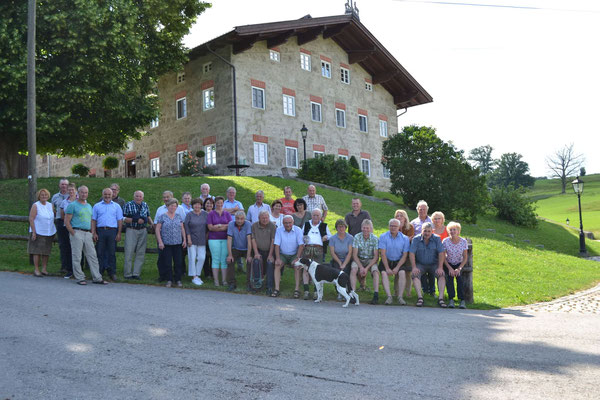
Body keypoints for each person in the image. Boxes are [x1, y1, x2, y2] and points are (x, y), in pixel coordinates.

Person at [64, 186, 108, 285]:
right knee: (77, 256)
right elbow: (66, 221)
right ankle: (80, 277)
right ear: (78, 193)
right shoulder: (72, 205)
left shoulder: (89, 206)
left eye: (86, 192)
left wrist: (92, 232)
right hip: (77, 232)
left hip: (88, 233)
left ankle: (97, 277)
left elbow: (92, 220)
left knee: (92, 256)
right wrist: (73, 233)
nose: (84, 194)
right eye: (82, 192)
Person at [409, 222, 447, 308]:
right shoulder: (416, 239)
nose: (427, 233)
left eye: (429, 231)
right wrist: (414, 267)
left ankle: (441, 299)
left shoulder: (437, 239)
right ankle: (420, 297)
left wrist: (440, 267)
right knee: (414, 274)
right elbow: (411, 253)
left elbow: (441, 253)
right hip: (420, 264)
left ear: (432, 231)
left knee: (441, 275)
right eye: (425, 231)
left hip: (434, 264)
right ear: (421, 231)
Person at [91, 188, 123, 282]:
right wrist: (94, 232)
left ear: (112, 195)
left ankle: (112, 272)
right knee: (99, 252)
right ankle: (99, 272)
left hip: (112, 231)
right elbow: (93, 220)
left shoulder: (116, 206)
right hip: (100, 231)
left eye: (109, 194)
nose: (107, 196)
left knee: (111, 253)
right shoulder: (97, 206)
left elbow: (119, 220)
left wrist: (119, 233)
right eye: (105, 194)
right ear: (102, 194)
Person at [378, 218, 411, 305]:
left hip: (399, 261)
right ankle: (389, 297)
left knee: (402, 273)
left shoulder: (405, 238)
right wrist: (387, 268)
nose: (393, 228)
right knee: (384, 273)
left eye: (395, 226)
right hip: (386, 260)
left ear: (399, 227)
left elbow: (404, 255)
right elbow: (383, 254)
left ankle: (400, 297)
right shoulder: (383, 236)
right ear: (389, 226)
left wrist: (397, 268)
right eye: (391, 226)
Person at [155, 199, 186, 287]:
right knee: (167, 262)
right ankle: (169, 279)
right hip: (166, 243)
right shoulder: (162, 216)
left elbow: (182, 228)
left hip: (177, 243)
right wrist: (160, 241)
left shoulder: (178, 216)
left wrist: (184, 240)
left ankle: (178, 279)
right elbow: (157, 229)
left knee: (178, 262)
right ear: (168, 206)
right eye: (171, 205)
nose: (173, 207)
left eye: (175, 206)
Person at [123, 190, 153, 280]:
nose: (138, 198)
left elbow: (148, 216)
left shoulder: (145, 205)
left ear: (142, 198)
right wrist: (134, 220)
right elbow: (123, 218)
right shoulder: (128, 205)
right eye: (137, 196)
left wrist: (152, 224)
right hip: (132, 230)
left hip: (143, 230)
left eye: (140, 196)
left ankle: (136, 273)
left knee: (140, 252)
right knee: (129, 251)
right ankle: (127, 274)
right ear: (134, 196)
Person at [273, 215, 305, 297]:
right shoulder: (279, 230)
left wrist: (298, 258)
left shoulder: (298, 230)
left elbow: (301, 245)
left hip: (295, 254)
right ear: (282, 223)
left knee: (297, 266)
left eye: (289, 223)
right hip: (283, 254)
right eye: (286, 223)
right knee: (277, 265)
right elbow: (276, 245)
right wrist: (277, 258)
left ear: (293, 222)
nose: (288, 225)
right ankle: (277, 289)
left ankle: (297, 289)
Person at [28, 189, 57, 277]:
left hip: (49, 231)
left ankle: (44, 269)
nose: (44, 196)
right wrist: (34, 232)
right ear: (39, 196)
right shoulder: (36, 205)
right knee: (37, 251)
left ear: (48, 196)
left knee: (46, 251)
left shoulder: (50, 205)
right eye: (42, 195)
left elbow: (53, 215)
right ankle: (36, 269)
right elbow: (31, 218)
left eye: (45, 195)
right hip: (38, 231)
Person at [350, 219, 380, 304]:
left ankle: (376, 294)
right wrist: (360, 267)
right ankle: (353, 293)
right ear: (361, 228)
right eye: (364, 228)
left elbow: (376, 257)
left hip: (371, 260)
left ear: (371, 229)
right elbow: (354, 255)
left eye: (367, 228)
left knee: (375, 271)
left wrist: (366, 268)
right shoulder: (357, 237)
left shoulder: (375, 238)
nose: (365, 230)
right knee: (353, 270)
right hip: (358, 258)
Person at [207, 196, 232, 286]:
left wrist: (218, 226)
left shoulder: (227, 214)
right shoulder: (211, 214)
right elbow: (210, 228)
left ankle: (224, 280)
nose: (219, 204)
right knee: (215, 259)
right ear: (215, 203)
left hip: (225, 239)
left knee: (224, 260)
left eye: (221, 203)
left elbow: (230, 226)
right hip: (214, 239)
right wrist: (223, 227)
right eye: (218, 203)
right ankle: (216, 280)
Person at [443, 222, 469, 309]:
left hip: (459, 263)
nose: (452, 231)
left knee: (460, 280)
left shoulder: (463, 242)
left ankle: (462, 300)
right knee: (449, 279)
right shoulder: (445, 241)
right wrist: (450, 268)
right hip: (448, 263)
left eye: (454, 230)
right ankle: (451, 299)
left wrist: (459, 268)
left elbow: (465, 257)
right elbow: (443, 257)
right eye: (451, 230)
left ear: (458, 231)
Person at [411, 200, 434, 296]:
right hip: (419, 249)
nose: (422, 211)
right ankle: (425, 290)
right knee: (422, 269)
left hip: (431, 248)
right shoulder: (413, 222)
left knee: (432, 270)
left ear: (427, 210)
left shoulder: (432, 221)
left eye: (424, 209)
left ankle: (432, 291)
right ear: (417, 210)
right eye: (420, 209)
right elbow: (411, 236)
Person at [184, 198, 208, 286]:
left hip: (202, 239)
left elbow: (208, 227)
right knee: (192, 258)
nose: (197, 206)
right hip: (192, 240)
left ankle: (197, 275)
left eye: (199, 204)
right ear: (192, 205)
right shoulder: (189, 215)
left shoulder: (205, 214)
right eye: (195, 204)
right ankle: (193, 277)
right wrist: (188, 239)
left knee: (202, 257)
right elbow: (186, 227)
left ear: (201, 205)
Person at [251, 210, 276, 295]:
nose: (265, 219)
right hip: (259, 250)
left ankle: (269, 286)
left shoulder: (272, 226)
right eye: (263, 218)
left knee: (270, 263)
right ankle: (257, 284)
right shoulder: (254, 226)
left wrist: (270, 255)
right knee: (256, 262)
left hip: (270, 250)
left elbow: (273, 241)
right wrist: (256, 253)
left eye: (266, 218)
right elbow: (253, 240)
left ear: (269, 218)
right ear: (259, 218)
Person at [226, 211, 252, 291]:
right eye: (237, 218)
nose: (239, 221)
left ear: (244, 219)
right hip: (236, 248)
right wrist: (230, 254)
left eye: (241, 219)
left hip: (246, 248)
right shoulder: (231, 224)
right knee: (230, 261)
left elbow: (249, 240)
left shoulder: (248, 224)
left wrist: (248, 255)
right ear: (235, 218)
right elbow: (229, 239)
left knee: (250, 262)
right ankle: (232, 283)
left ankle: (249, 283)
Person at [328, 219, 353, 301]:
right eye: (339, 227)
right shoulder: (332, 238)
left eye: (343, 227)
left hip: (347, 259)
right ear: (336, 228)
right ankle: (339, 292)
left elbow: (350, 253)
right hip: (336, 259)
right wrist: (339, 263)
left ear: (345, 227)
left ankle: (347, 291)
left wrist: (344, 264)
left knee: (346, 271)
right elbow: (332, 253)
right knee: (336, 272)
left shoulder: (350, 238)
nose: (341, 229)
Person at [393, 209, 414, 298]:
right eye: (397, 216)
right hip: (397, 253)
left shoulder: (410, 227)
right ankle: (396, 292)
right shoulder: (393, 226)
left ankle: (408, 292)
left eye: (401, 216)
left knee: (408, 273)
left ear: (405, 218)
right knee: (397, 273)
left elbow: (408, 239)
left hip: (407, 253)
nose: (399, 217)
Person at [59, 183, 78, 278]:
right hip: (67, 227)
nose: (71, 191)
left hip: (77, 227)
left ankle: (78, 270)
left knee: (78, 249)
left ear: (76, 190)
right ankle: (69, 269)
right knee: (68, 248)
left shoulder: (80, 200)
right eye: (69, 190)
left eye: (72, 190)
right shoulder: (64, 202)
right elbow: (62, 215)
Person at [51, 178, 70, 274]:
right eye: (62, 184)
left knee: (70, 244)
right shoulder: (55, 196)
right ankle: (64, 266)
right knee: (62, 245)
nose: (64, 186)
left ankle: (71, 266)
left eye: (66, 184)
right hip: (59, 221)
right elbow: (52, 208)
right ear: (59, 185)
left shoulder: (71, 196)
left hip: (70, 222)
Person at [202, 197, 215, 280]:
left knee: (213, 256)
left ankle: (213, 273)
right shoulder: (202, 213)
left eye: (210, 203)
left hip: (214, 237)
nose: (209, 205)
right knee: (205, 256)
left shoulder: (215, 214)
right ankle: (207, 274)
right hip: (203, 238)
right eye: (207, 203)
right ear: (204, 205)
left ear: (213, 205)